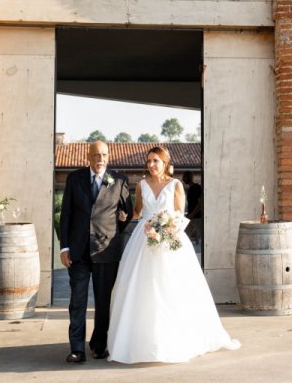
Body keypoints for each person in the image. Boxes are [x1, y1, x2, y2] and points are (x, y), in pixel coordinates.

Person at [107, 146, 240, 363]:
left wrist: (167, 226)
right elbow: (139, 211)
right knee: (142, 289)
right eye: (149, 161)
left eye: (156, 161)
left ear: (165, 162)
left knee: (173, 288)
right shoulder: (141, 185)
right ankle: (140, 342)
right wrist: (125, 216)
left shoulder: (176, 184)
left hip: (170, 239)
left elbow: (179, 214)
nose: (151, 165)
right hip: (144, 239)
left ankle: (176, 340)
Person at [59, 140, 132, 363]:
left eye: (103, 155)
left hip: (105, 251)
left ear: (108, 157)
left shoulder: (119, 180)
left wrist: (119, 222)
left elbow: (126, 214)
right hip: (78, 252)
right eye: (96, 155)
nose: (100, 159)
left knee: (102, 302)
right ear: (88, 157)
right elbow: (66, 215)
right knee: (77, 301)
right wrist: (65, 247)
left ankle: (99, 345)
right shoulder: (75, 178)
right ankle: (77, 349)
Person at [183, 170, 203, 245]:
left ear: (189, 177)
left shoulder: (197, 187)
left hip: (197, 217)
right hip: (191, 217)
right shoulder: (190, 189)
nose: (183, 179)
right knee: (184, 235)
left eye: (184, 177)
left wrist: (192, 214)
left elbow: (200, 203)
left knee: (202, 236)